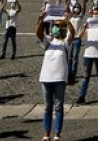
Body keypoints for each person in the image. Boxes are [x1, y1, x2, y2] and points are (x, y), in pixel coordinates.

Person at [37, 10, 75, 141]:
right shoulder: (48, 42)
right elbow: (38, 33)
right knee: (47, 107)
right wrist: (41, 19)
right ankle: (46, 133)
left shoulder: (65, 43)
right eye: (54, 25)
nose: (55, 27)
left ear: (63, 28)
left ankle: (57, 134)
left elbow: (73, 34)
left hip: (60, 78)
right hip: (45, 78)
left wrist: (67, 20)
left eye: (58, 26)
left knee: (58, 107)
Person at [76, 6, 98, 105]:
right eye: (94, 13)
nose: (95, 15)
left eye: (97, 13)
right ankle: (82, 96)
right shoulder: (89, 24)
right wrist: (84, 27)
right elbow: (79, 36)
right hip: (88, 53)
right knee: (86, 76)